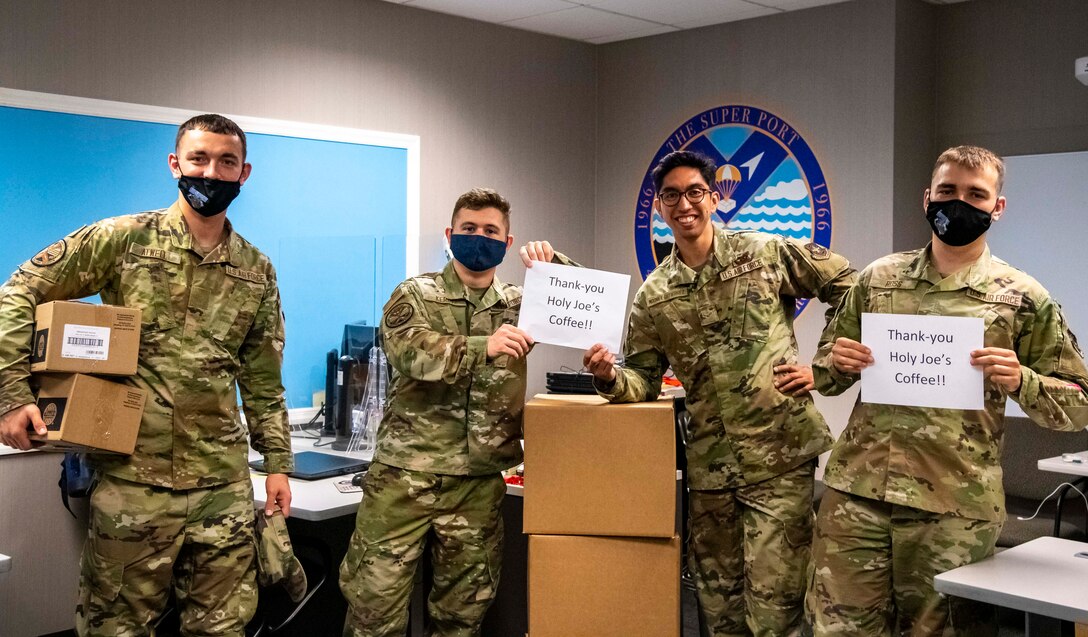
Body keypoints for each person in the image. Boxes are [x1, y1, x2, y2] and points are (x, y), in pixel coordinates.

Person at [0, 114, 293, 636]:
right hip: (133, 480)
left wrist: (277, 466)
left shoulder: (255, 270)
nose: (211, 173)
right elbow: (19, 291)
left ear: (243, 173)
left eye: (226, 162)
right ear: (175, 164)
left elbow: (264, 381)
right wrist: (11, 395)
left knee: (223, 628)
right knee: (116, 626)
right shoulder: (123, 239)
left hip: (222, 487)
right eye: (199, 159)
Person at [807, 145, 1088, 636]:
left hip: (954, 506)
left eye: (976, 194)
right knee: (839, 628)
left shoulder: (1023, 297)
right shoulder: (878, 279)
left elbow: (1079, 405)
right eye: (947, 190)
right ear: (927, 198)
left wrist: (1022, 379)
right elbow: (827, 375)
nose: (959, 203)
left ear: (997, 207)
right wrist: (837, 362)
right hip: (858, 495)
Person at [582, 150, 856, 636]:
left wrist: (824, 366)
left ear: (713, 198)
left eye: (694, 192)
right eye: (671, 196)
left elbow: (848, 284)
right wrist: (608, 377)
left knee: (776, 610)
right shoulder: (654, 295)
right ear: (660, 207)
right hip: (711, 471)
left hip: (779, 457)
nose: (684, 204)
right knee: (719, 612)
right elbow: (643, 378)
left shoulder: (765, 252)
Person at [339, 187, 574, 637]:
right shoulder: (416, 293)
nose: (479, 237)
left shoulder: (521, 304)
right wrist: (483, 346)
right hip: (405, 479)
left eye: (490, 231)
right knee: (374, 610)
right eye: (469, 228)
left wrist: (555, 267)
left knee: (462, 617)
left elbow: (592, 311)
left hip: (477, 486)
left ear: (507, 243)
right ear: (450, 235)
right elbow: (408, 351)